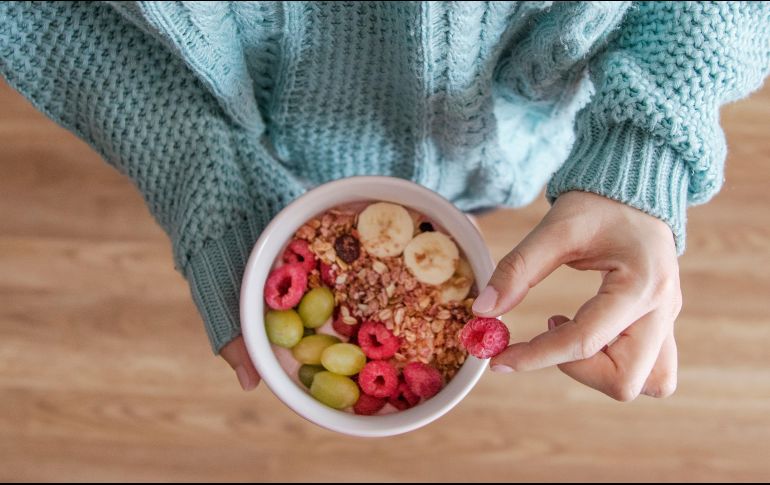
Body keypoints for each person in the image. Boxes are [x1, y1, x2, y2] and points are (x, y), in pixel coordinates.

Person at [1, 1, 768, 401]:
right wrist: (199, 165)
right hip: (253, 133)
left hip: (518, 142)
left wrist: (646, 143)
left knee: (485, 197)